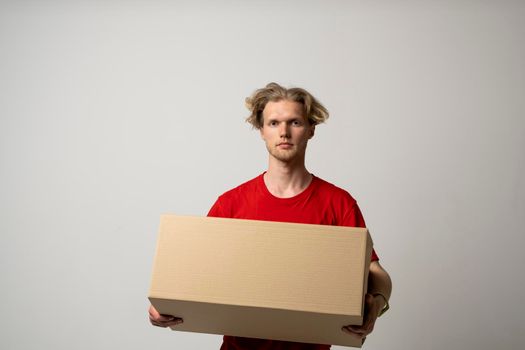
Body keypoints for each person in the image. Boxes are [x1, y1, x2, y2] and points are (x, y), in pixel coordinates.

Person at [149, 82, 392, 349]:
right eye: (274, 123)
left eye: (295, 122)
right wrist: (167, 303)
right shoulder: (231, 204)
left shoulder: (338, 203)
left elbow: (373, 270)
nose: (284, 132)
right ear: (262, 130)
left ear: (311, 130)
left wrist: (377, 302)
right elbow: (198, 273)